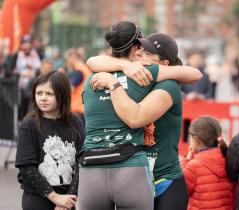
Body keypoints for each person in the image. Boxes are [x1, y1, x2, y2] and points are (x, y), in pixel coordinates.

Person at [87, 32, 203, 210]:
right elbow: (92, 61)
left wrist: (113, 84)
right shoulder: (135, 79)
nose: (140, 53)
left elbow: (136, 118)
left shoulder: (168, 85)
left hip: (163, 180)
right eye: (140, 49)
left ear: (164, 64)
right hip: (133, 176)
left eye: (148, 53)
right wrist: (123, 65)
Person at [15, 71, 84, 210]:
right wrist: (54, 197)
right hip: (37, 198)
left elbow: (81, 160)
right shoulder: (29, 124)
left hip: (67, 200)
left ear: (62, 95)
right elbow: (26, 166)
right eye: (39, 93)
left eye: (49, 94)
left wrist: (69, 197)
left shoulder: (75, 121)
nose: (43, 98)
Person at [180, 115, 235, 210]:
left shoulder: (194, 166)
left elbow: (181, 188)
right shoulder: (229, 160)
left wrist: (186, 161)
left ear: (196, 140)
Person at [64, 48, 91, 123]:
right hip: (85, 108)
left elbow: (68, 89)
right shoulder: (87, 69)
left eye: (67, 60)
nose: (67, 63)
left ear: (72, 57)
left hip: (77, 110)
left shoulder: (79, 72)